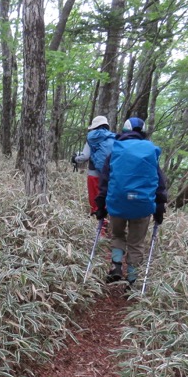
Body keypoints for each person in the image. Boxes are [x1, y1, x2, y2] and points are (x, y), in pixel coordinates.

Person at [94, 117, 168, 287]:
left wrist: (100, 206)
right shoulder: (150, 152)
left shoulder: (116, 150)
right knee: (136, 243)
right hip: (142, 206)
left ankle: (116, 266)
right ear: (142, 133)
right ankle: (132, 280)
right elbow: (159, 182)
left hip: (117, 203)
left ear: (124, 131)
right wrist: (159, 207)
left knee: (118, 234)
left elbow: (105, 181)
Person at [72, 115, 115, 215]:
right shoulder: (112, 137)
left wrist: (75, 158)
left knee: (95, 198)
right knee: (106, 198)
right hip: (109, 174)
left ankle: (99, 226)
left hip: (94, 174)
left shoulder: (92, 137)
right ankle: (106, 224)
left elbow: (85, 156)